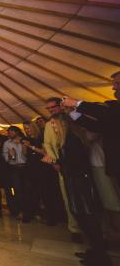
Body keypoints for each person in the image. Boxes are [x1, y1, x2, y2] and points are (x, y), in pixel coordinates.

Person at [43, 114, 111, 266]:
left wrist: (54, 161)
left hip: (80, 183)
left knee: (87, 217)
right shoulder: (66, 141)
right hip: (75, 181)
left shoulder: (73, 140)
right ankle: (95, 250)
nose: (53, 128)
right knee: (82, 216)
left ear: (63, 124)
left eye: (54, 125)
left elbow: (75, 163)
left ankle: (101, 256)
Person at [43, 97, 82, 242]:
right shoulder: (49, 125)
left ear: (61, 105)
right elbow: (47, 144)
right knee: (68, 197)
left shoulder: (72, 118)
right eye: (48, 108)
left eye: (53, 107)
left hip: (81, 163)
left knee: (89, 196)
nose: (51, 110)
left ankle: (102, 230)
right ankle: (75, 229)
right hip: (63, 164)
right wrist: (54, 161)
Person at [2, 126, 28, 220]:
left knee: (28, 190)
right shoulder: (7, 143)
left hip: (27, 168)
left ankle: (30, 211)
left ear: (17, 132)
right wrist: (9, 155)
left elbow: (29, 154)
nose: (10, 133)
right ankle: (21, 211)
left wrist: (24, 146)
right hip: (15, 168)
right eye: (9, 132)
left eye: (12, 131)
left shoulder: (25, 140)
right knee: (18, 190)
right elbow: (6, 158)